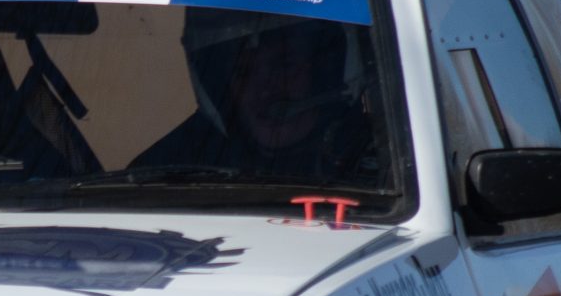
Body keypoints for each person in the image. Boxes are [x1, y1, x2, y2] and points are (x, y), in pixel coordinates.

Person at [130, 9, 377, 179]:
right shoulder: (171, 167)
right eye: (243, 71)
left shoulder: (383, 162)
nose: (263, 89)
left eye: (282, 65)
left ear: (325, 70)